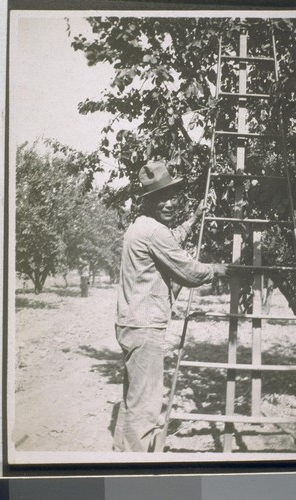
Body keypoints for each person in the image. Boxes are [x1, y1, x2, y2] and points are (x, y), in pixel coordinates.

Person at [112, 159, 229, 452]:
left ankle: (120, 456)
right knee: (146, 406)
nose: (169, 203)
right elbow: (187, 271)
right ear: (149, 202)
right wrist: (216, 269)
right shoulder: (154, 232)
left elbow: (168, 243)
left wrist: (192, 219)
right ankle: (135, 472)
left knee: (132, 399)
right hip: (145, 327)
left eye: (172, 196)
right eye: (161, 198)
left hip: (130, 325)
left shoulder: (140, 227)